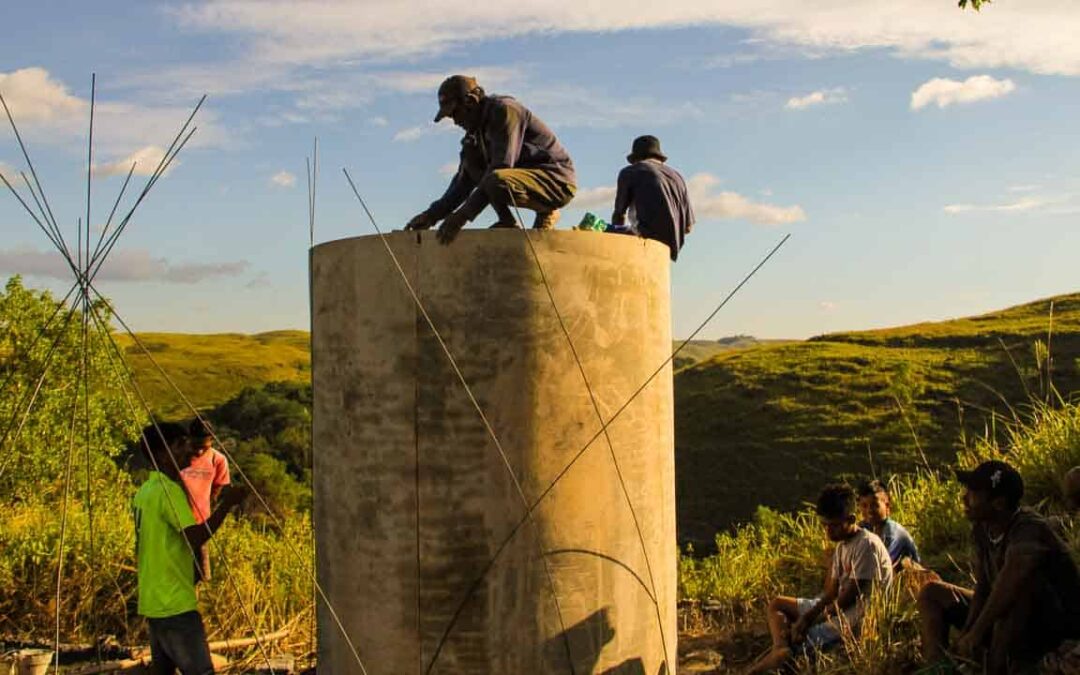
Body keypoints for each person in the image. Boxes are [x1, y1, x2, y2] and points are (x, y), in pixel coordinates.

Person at [917, 460, 1080, 674]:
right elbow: (984, 588)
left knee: (1010, 600)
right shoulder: (982, 530)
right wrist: (967, 633)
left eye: (973, 493)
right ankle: (938, 667)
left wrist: (977, 632)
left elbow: (1008, 585)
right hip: (1008, 622)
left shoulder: (1029, 529)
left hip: (1050, 630)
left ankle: (997, 668)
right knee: (932, 592)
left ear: (999, 503)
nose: (964, 498)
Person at [404, 75, 577, 244]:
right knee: (473, 166)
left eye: (455, 113)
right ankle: (507, 221)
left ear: (471, 102)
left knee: (496, 179)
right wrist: (431, 216)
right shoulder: (473, 137)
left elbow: (502, 166)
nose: (455, 121)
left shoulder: (505, 111)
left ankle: (546, 209)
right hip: (519, 179)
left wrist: (462, 216)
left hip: (556, 181)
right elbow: (461, 184)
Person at [133, 422, 245, 675]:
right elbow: (194, 537)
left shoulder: (144, 492)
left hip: (153, 601)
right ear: (163, 454)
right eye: (181, 446)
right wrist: (226, 505)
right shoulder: (169, 492)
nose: (190, 452)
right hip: (174, 604)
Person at [746, 484, 893, 674]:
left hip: (855, 618)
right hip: (839, 608)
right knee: (778, 604)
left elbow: (848, 599)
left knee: (797, 641)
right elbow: (831, 591)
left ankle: (765, 664)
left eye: (833, 525)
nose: (828, 532)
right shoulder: (842, 547)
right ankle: (780, 649)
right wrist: (807, 617)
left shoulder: (867, 545)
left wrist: (809, 621)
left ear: (850, 519)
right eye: (825, 525)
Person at [610, 135, 694, 261]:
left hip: (644, 239)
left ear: (636, 158)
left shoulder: (630, 172)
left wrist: (616, 237)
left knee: (602, 231)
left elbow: (619, 214)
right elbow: (688, 228)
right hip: (669, 250)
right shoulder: (678, 177)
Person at [179, 418, 230, 582]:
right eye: (195, 446)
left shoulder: (218, 460)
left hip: (200, 526)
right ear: (188, 439)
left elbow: (217, 490)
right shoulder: (177, 457)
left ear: (212, 440)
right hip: (174, 525)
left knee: (201, 577)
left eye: (204, 447)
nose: (199, 451)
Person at [857, 479, 920, 568]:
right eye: (864, 506)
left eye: (875, 505)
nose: (869, 510)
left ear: (887, 506)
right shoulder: (863, 527)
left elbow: (883, 565)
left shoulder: (894, 534)